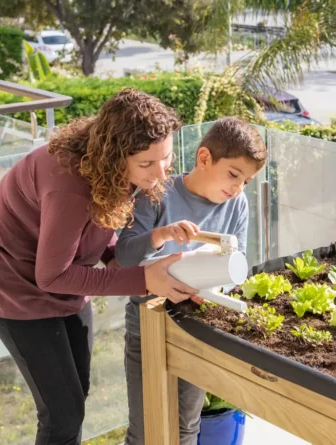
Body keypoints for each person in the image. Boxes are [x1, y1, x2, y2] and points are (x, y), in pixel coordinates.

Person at [0, 88, 198, 445]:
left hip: (60, 277)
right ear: (115, 155)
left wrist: (132, 254)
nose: (160, 172)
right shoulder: (68, 185)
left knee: (75, 395)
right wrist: (143, 278)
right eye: (147, 164)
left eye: (165, 158)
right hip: (11, 284)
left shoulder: (107, 164)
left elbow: (91, 232)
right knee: (63, 413)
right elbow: (52, 275)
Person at [115, 117, 267, 445]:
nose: (238, 188)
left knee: (186, 429)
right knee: (145, 433)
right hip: (148, 324)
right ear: (203, 158)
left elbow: (234, 267)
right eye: (233, 174)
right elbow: (123, 257)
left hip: (197, 328)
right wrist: (161, 234)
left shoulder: (236, 204)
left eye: (247, 181)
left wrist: (213, 291)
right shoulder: (157, 194)